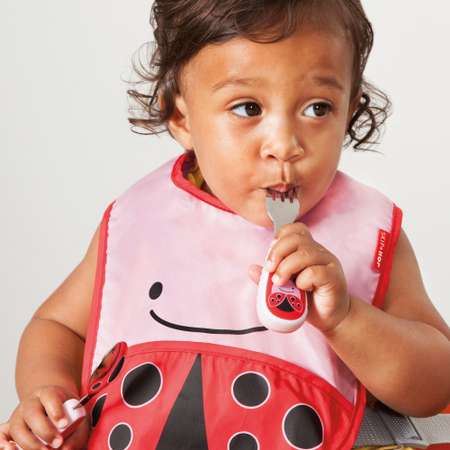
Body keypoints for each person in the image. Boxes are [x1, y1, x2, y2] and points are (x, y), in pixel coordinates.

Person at [1, 1, 450, 449]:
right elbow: (58, 326)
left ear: (349, 108)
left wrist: (346, 320)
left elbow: (437, 382)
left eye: (318, 108)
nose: (284, 145)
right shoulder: (139, 218)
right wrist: (51, 398)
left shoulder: (365, 232)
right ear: (181, 117)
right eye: (248, 107)